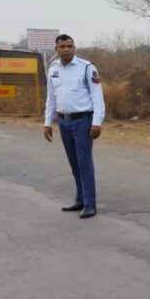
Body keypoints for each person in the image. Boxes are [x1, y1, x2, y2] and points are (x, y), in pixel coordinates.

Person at [43, 34, 105, 219]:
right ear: (56, 49)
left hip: (83, 121)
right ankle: (80, 199)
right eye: (62, 47)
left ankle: (90, 203)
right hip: (63, 121)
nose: (66, 49)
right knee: (74, 163)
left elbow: (97, 96)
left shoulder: (86, 67)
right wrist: (47, 122)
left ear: (74, 48)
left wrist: (96, 123)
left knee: (84, 162)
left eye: (70, 46)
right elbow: (51, 98)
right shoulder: (53, 69)